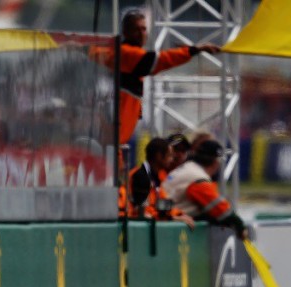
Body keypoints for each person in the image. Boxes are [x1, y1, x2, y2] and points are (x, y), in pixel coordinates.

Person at [90, 9, 220, 163]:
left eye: (144, 29)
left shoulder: (122, 53)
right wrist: (194, 50)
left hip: (113, 140)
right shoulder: (127, 53)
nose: (141, 33)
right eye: (136, 29)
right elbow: (159, 61)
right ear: (125, 32)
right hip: (111, 143)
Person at [162, 140, 247, 239]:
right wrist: (239, 226)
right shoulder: (197, 177)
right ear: (215, 162)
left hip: (166, 221)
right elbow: (219, 209)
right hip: (168, 228)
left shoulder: (187, 169)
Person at [121, 138, 194, 228]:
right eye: (169, 156)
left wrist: (180, 215)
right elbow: (143, 213)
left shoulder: (157, 177)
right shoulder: (140, 177)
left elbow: (164, 206)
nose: (172, 159)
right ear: (159, 156)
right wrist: (171, 218)